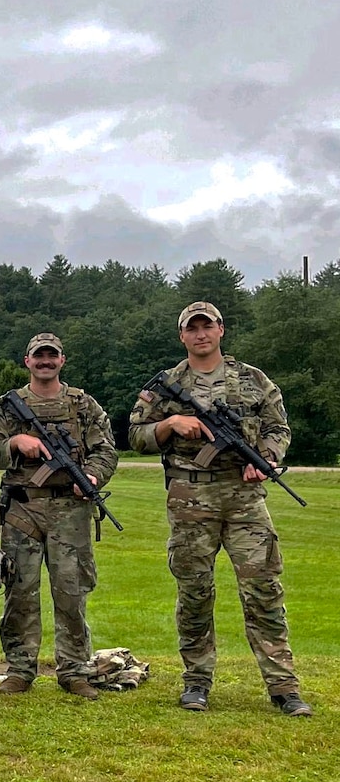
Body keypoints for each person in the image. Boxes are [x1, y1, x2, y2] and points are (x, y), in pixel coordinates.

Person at [128, 301, 311, 716]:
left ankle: (284, 687)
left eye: (206, 326)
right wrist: (169, 424)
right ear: (182, 336)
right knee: (194, 592)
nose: (200, 334)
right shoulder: (167, 384)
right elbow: (136, 434)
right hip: (190, 498)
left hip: (245, 499)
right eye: (191, 328)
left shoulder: (252, 379)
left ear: (220, 330)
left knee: (263, 589)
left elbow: (278, 427)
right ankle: (196, 683)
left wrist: (262, 457)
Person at [0, 334, 118, 700]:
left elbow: (106, 450)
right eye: (38, 356)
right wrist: (14, 443)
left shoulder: (83, 405)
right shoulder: (8, 407)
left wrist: (91, 476)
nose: (45, 361)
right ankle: (20, 669)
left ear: (62, 360)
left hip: (70, 511)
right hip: (22, 509)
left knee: (71, 592)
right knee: (20, 591)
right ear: (27, 361)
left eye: (51, 356)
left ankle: (74, 670)